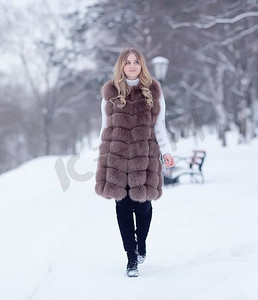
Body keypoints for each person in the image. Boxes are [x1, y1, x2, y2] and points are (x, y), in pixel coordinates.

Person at [95, 48, 175, 277]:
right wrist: (103, 157)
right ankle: (131, 258)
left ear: (142, 65)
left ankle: (142, 243)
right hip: (116, 157)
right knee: (122, 206)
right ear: (121, 65)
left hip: (145, 155)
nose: (132, 65)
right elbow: (105, 127)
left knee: (144, 206)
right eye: (127, 62)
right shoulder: (110, 92)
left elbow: (160, 125)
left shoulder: (153, 92)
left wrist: (166, 152)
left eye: (136, 62)